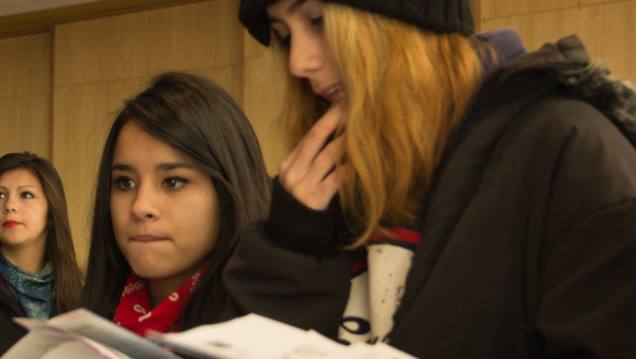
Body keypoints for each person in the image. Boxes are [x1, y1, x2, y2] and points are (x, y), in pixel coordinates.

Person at [223, 0, 636, 357]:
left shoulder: (569, 154)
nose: (298, 63)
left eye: (319, 20)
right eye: (283, 35)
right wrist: (291, 246)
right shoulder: (330, 177)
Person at [81, 72, 271, 336]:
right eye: (125, 183)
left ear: (228, 190)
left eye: (172, 182)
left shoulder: (272, 330)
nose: (140, 206)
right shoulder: (80, 330)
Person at [0, 152, 83, 355]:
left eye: (26, 195)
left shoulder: (81, 295)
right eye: (0, 195)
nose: (10, 205)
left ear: (51, 214)